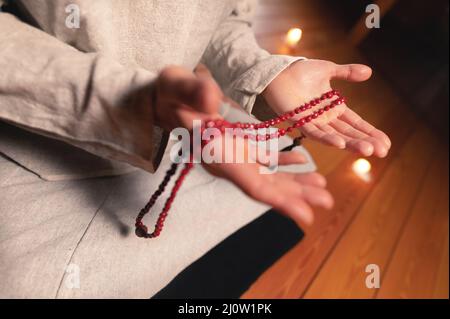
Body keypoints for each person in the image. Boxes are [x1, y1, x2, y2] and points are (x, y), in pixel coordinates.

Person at [0, 0, 391, 298]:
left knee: (289, 170)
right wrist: (135, 101)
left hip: (181, 123)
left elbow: (221, 16)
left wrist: (260, 70)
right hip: (35, 132)